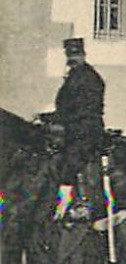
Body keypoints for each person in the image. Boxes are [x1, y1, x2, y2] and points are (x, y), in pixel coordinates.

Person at [47, 38, 105, 193]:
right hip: (72, 126)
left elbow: (85, 109)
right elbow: (66, 106)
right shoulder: (73, 77)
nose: (72, 59)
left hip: (85, 128)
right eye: (69, 55)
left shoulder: (90, 78)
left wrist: (57, 118)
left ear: (83, 55)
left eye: (76, 54)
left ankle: (75, 199)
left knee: (71, 159)